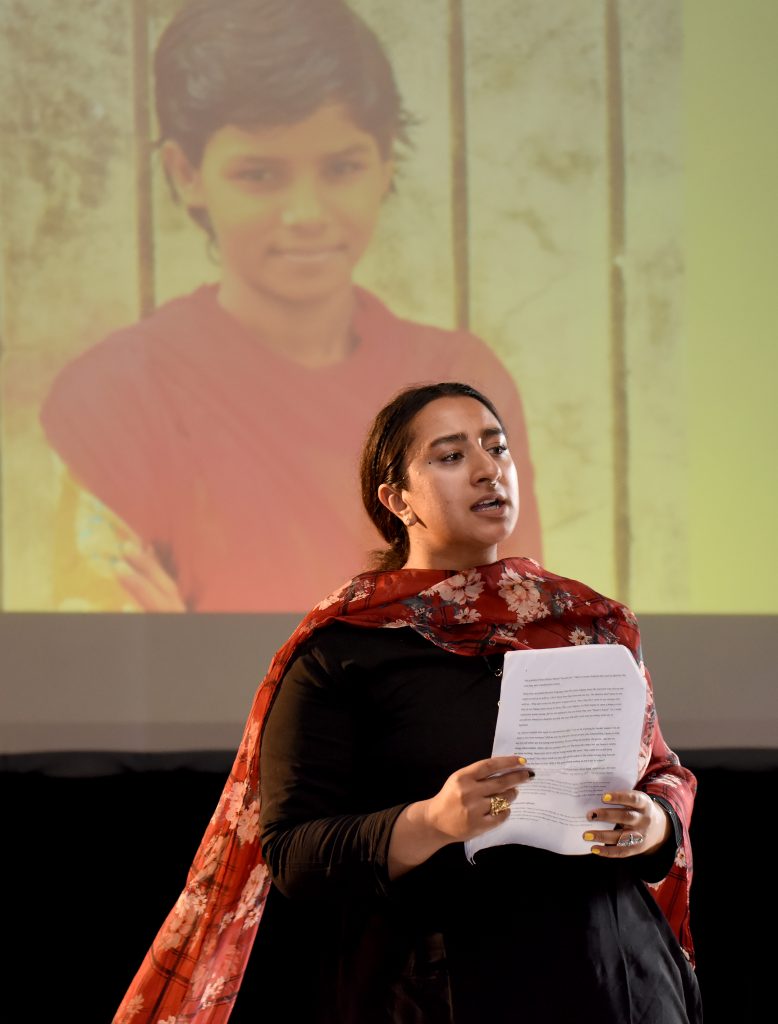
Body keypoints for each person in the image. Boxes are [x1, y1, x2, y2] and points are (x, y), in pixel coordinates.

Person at [114, 382, 701, 1023]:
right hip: (436, 991)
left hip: (614, 979)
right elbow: (292, 855)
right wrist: (433, 822)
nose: (486, 469)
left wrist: (653, 823)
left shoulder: (588, 621)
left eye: (497, 448)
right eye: (449, 457)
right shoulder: (346, 646)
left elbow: (662, 773)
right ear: (396, 500)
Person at [39, 0, 542, 613]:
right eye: (259, 175)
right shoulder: (117, 393)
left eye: (341, 167)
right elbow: (120, 651)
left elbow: (511, 616)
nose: (306, 214)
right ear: (186, 172)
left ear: (384, 163)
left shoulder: (463, 381)